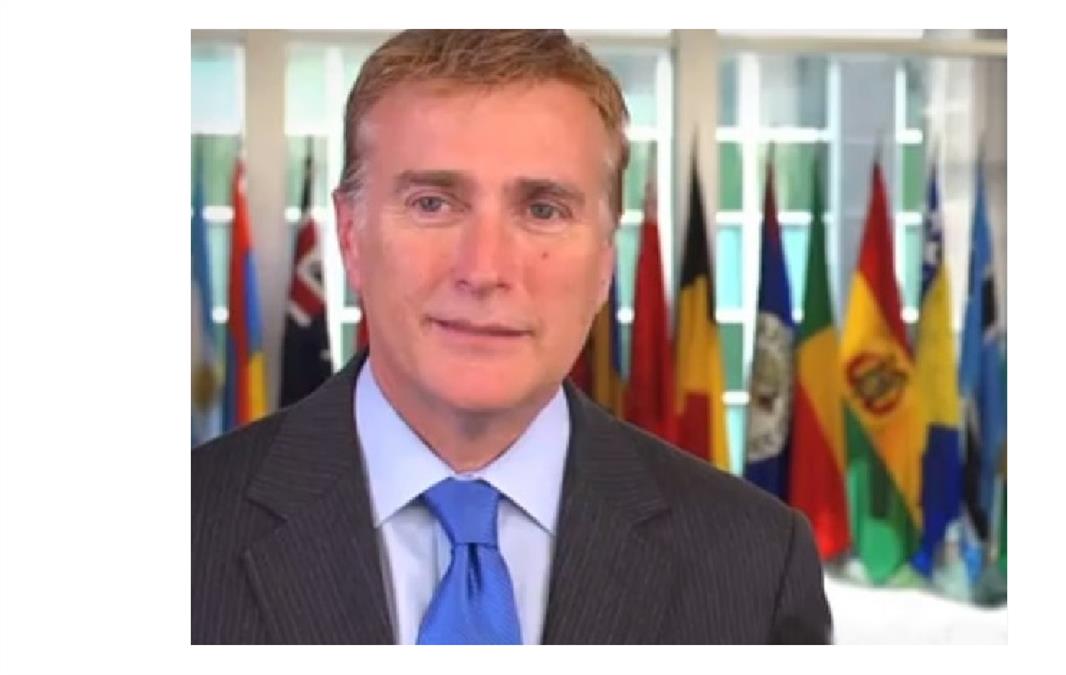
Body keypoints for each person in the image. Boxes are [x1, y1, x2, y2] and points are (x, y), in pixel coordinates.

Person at [192, 29, 832, 645]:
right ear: (350, 235)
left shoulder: (756, 564)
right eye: (433, 203)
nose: (484, 270)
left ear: (606, 259)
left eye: (543, 210)